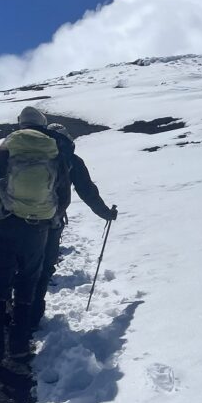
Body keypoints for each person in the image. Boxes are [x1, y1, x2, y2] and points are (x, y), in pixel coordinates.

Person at [0, 106, 70, 368]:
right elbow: (63, 193)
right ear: (42, 123)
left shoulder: (7, 146)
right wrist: (51, 216)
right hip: (38, 228)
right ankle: (19, 348)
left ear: (20, 124)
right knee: (27, 284)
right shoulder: (53, 148)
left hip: (6, 224)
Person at [30, 122, 117, 329]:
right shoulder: (72, 160)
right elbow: (87, 190)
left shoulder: (32, 155)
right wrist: (105, 213)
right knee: (43, 268)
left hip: (19, 219)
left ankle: (14, 312)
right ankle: (32, 317)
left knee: (23, 267)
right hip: (52, 220)